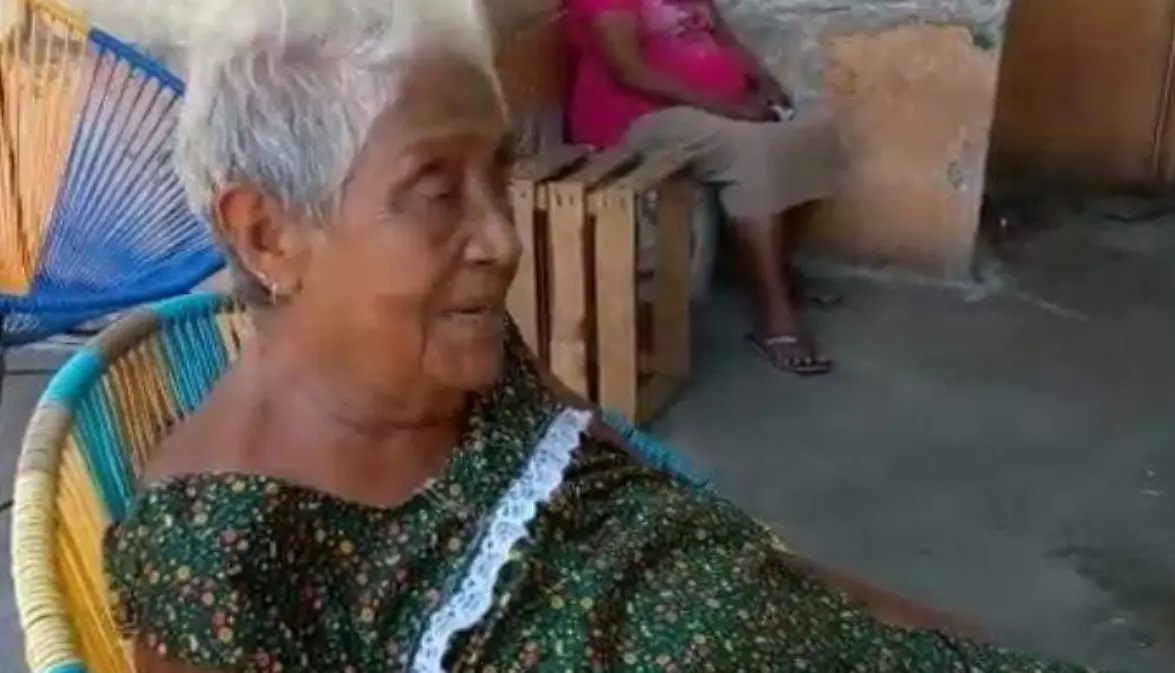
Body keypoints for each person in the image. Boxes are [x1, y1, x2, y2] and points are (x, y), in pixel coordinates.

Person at [104, 1, 1100, 671]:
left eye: (498, 173)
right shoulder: (218, 561)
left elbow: (669, 514)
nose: (502, 239)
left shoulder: (461, 362)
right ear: (268, 234)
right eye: (435, 190)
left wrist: (920, 631)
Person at [565, 0, 843, 376]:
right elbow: (629, 71)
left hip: (707, 108)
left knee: (815, 132)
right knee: (751, 151)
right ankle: (776, 319)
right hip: (634, 119)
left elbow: (724, 40)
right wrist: (727, 108)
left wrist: (764, 82)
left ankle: (778, 264)